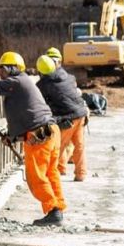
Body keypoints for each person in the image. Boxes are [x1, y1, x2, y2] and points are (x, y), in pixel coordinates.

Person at [0, 51, 66, 226]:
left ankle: (53, 211)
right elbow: (26, 115)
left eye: (4, 70)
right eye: (0, 71)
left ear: (13, 68)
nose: (2, 75)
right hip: (50, 131)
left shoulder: (15, 81)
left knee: (36, 177)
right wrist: (13, 137)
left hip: (40, 135)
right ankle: (57, 208)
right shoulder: (22, 82)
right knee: (50, 173)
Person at [36, 49, 88, 181]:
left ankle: (56, 172)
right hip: (81, 114)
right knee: (79, 145)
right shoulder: (68, 76)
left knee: (58, 146)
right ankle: (80, 174)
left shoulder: (44, 84)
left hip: (68, 117)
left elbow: (41, 103)